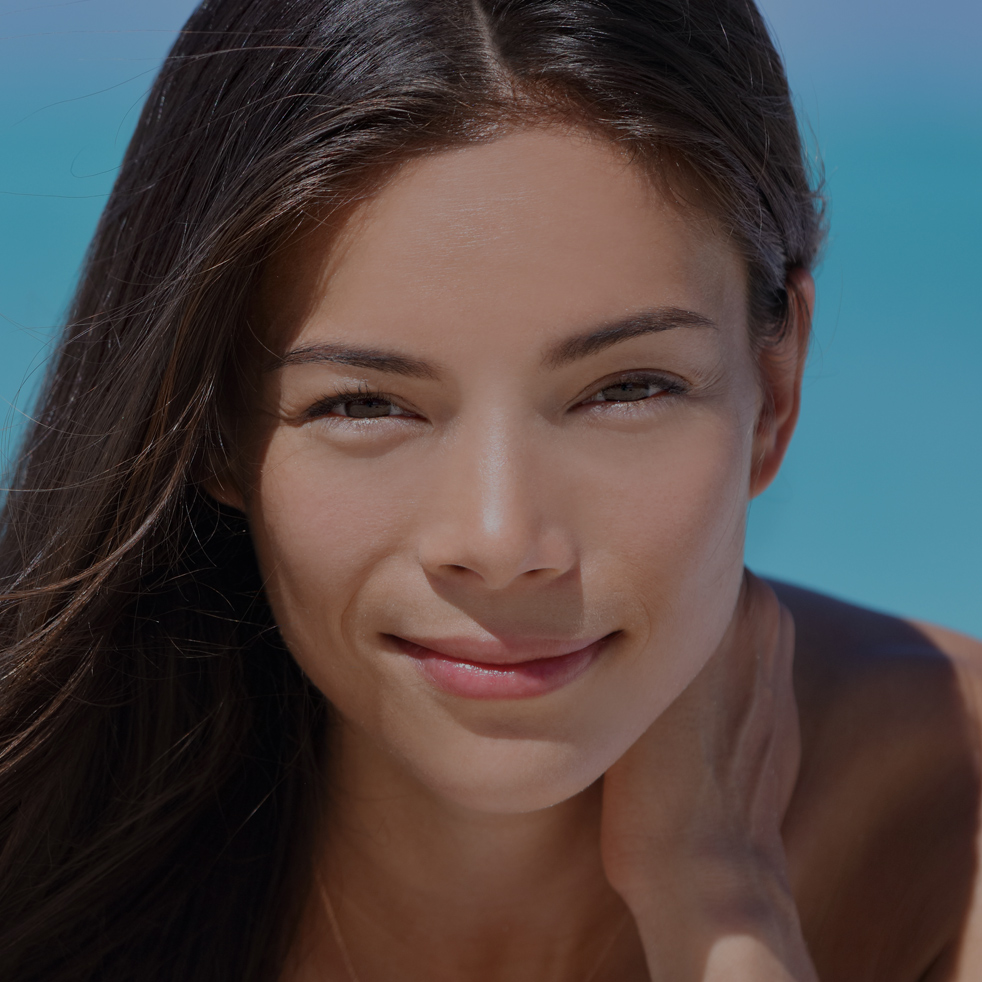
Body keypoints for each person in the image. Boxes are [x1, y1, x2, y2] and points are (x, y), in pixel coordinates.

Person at [0, 0, 979, 979]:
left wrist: (722, 909)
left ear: (774, 387)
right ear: (213, 424)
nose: (501, 535)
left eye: (627, 389)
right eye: (365, 404)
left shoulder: (954, 808)